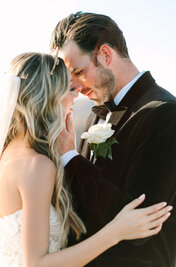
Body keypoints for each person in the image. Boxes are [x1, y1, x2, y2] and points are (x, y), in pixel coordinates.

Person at [0, 52, 171, 267]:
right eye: (69, 89)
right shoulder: (37, 165)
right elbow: (37, 263)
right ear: (48, 97)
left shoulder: (9, 154)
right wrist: (116, 231)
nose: (76, 96)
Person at [50, 12, 176, 267]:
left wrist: (71, 157)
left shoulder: (165, 114)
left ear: (105, 55)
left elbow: (142, 220)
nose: (73, 86)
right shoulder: (93, 117)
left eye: (78, 71)